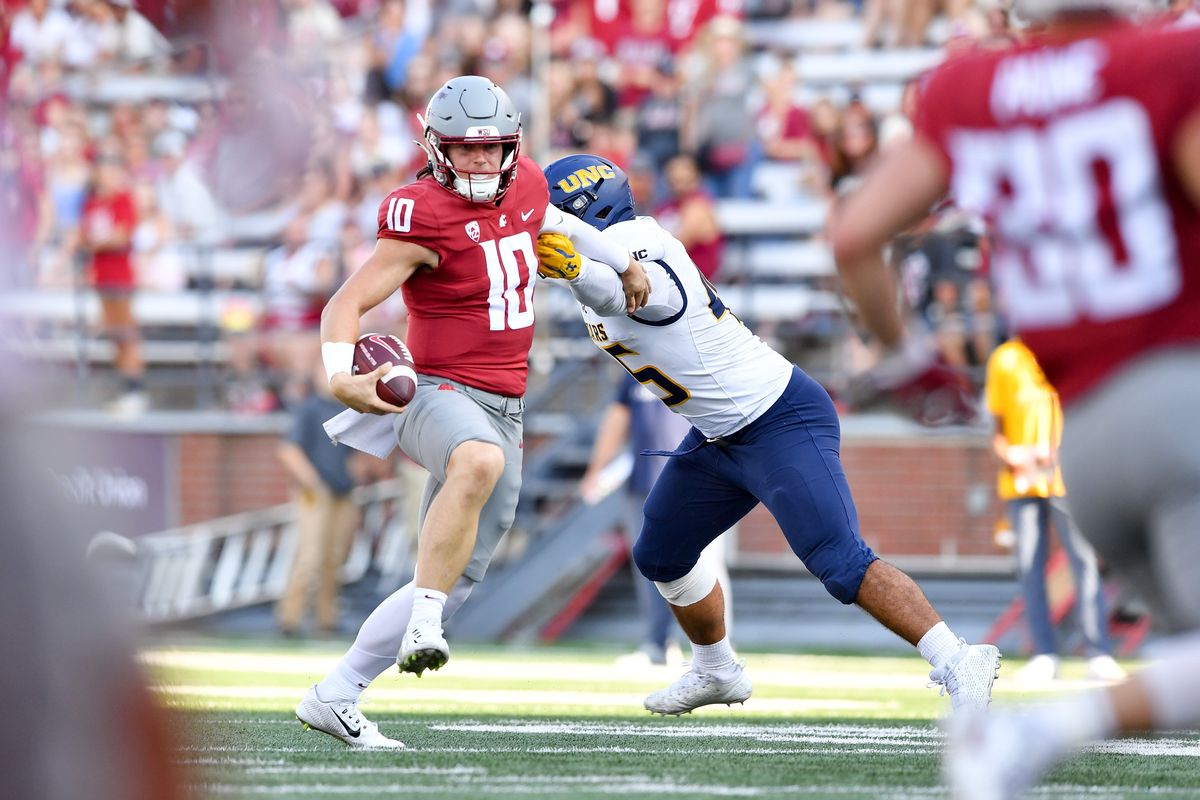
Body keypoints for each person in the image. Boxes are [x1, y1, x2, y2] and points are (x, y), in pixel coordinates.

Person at [825, 8, 1200, 797]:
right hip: (1178, 399)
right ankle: (1029, 737)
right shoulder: (1168, 61)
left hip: (1090, 444)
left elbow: (856, 235)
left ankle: (1027, 740)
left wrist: (907, 353)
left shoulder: (970, 86)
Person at [539, 153, 1000, 716]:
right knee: (662, 550)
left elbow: (629, 294)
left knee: (840, 562)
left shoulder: (641, 243)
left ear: (588, 212)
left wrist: (577, 270)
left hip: (778, 417)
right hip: (719, 434)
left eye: (560, 218)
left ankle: (958, 658)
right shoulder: (613, 254)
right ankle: (716, 669)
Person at [294, 75, 651, 749]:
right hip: (436, 391)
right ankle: (426, 624)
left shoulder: (527, 186)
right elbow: (346, 303)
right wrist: (340, 377)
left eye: (492, 151)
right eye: (465, 150)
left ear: (512, 148)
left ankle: (336, 693)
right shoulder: (420, 212)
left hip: (506, 403)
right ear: (436, 148)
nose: (481, 163)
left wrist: (621, 259)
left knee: (457, 581)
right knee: (476, 463)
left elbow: (556, 221)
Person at [985, 338, 1124, 683]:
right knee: (1029, 566)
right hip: (1021, 481)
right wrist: (1013, 455)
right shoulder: (1005, 358)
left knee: (1084, 561)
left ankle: (1099, 652)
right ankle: (1044, 654)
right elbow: (996, 431)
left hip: (1066, 475)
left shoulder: (1067, 345)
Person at [580, 372, 732, 667]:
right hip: (645, 482)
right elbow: (617, 418)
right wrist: (596, 470)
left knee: (708, 565)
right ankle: (658, 644)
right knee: (651, 570)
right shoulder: (634, 369)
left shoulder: (700, 364)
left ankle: (719, 650)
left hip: (700, 482)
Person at [275, 362, 361, 637]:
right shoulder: (311, 408)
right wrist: (311, 481)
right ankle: (290, 619)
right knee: (309, 556)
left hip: (344, 490)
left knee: (334, 558)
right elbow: (288, 449)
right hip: (316, 491)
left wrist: (357, 471)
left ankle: (327, 620)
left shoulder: (350, 409)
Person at [79, 155, 146, 416]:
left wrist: (98, 242)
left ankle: (134, 392)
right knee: (115, 337)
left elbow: (121, 237)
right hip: (101, 278)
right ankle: (126, 390)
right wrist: (99, 242)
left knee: (125, 334)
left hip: (120, 277)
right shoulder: (92, 202)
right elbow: (84, 236)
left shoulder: (123, 199)